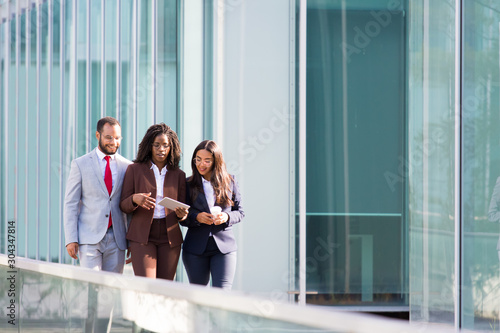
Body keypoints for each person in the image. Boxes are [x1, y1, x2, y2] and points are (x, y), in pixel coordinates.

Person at [120, 123, 188, 280]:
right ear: (149, 146)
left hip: (169, 237)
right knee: (146, 288)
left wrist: (182, 215)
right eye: (156, 145)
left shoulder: (179, 175)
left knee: (165, 289)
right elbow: (123, 204)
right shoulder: (134, 169)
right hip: (143, 236)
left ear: (172, 147)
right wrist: (134, 199)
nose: (161, 149)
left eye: (165, 145)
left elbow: (183, 212)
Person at [64, 116, 132, 273]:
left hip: (117, 239)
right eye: (108, 137)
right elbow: (71, 204)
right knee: (91, 288)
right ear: (97, 135)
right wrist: (71, 238)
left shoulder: (127, 166)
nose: (113, 142)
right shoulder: (80, 164)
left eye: (117, 138)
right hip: (89, 238)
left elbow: (129, 206)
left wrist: (131, 242)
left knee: (112, 290)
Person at [180, 140, 245, 290]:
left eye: (207, 160)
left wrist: (226, 217)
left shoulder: (230, 181)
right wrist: (196, 217)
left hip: (224, 247)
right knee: (198, 296)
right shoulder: (187, 184)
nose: (201, 164)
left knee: (222, 294)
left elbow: (240, 212)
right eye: (198, 159)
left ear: (216, 161)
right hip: (195, 248)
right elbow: (182, 217)